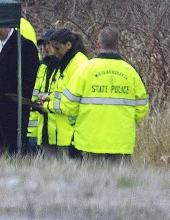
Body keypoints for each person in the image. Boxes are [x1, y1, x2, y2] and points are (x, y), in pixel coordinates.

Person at [60, 27, 149, 163]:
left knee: (93, 183)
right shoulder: (130, 72)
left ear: (98, 44)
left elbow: (68, 104)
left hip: (90, 140)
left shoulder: (85, 70)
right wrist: (127, 122)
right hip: (121, 141)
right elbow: (142, 108)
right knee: (122, 182)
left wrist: (76, 122)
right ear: (118, 45)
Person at [0, 27, 39, 156]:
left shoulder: (24, 46)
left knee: (11, 152)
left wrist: (18, 103)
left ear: (9, 25)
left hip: (12, 111)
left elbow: (30, 80)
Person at [39, 28, 88, 159]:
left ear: (68, 45)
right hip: (64, 129)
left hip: (73, 130)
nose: (54, 52)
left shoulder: (78, 64)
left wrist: (47, 106)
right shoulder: (67, 62)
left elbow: (71, 102)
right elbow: (63, 91)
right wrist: (49, 97)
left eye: (57, 48)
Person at [30, 29, 59, 156]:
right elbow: (35, 96)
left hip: (58, 126)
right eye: (44, 45)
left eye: (49, 44)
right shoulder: (42, 66)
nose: (46, 48)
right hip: (41, 126)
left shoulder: (64, 66)